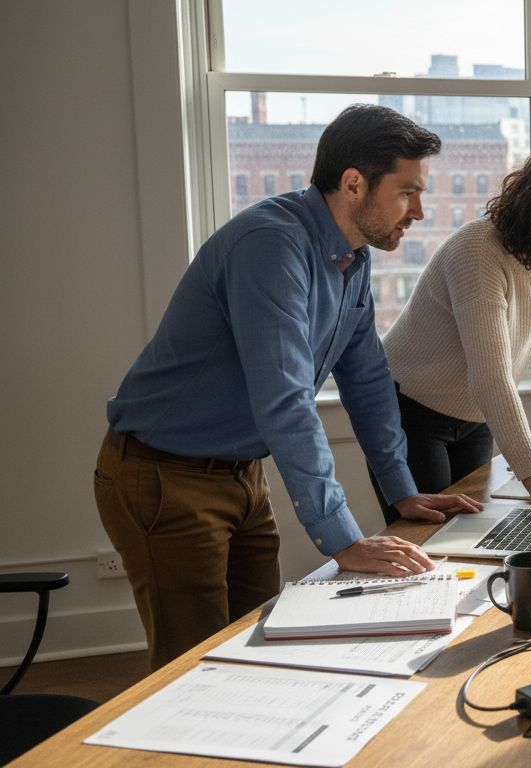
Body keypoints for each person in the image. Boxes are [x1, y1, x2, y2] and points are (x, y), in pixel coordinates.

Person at [95, 104, 483, 670]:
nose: (419, 212)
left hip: (240, 474)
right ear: (354, 184)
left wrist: (402, 489)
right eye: (407, 193)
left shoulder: (352, 257)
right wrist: (344, 540)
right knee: (191, 667)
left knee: (260, 643)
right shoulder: (270, 245)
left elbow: (367, 376)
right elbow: (285, 400)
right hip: (164, 476)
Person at [371, 144, 531, 522]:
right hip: (408, 411)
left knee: (469, 527)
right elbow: (491, 377)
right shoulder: (477, 252)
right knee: (427, 537)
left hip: (472, 417)